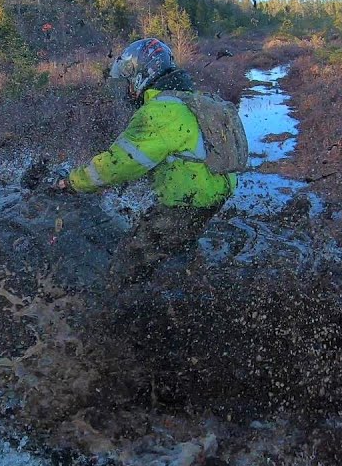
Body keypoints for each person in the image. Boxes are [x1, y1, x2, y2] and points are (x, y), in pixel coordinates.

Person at [54, 38, 245, 292]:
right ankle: (190, 284)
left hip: (186, 203)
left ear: (143, 76)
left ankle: (123, 316)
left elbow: (117, 164)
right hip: (212, 194)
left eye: (129, 82)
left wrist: (72, 182)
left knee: (128, 261)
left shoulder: (159, 112)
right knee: (179, 246)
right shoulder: (187, 99)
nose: (128, 90)